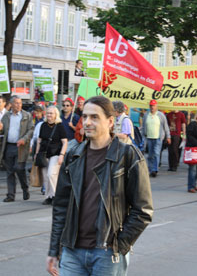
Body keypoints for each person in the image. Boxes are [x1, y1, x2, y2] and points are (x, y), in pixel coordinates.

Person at [46, 96, 153, 276]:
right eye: (85, 117)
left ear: (110, 122)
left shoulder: (127, 155)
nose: (87, 122)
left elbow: (143, 210)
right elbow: (61, 207)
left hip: (107, 253)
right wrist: (54, 248)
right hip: (72, 251)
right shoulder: (74, 155)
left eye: (94, 117)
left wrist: (120, 244)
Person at [0, 96, 34, 202]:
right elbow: (2, 132)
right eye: (16, 103)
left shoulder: (26, 116)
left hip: (21, 147)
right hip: (9, 146)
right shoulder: (6, 116)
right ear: (11, 104)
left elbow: (31, 130)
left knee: (19, 168)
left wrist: (24, 139)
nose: (19, 105)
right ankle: (10, 195)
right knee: (9, 171)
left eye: (20, 103)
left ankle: (25, 188)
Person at [36, 106, 68, 205]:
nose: (49, 115)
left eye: (51, 113)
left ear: (56, 115)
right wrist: (36, 153)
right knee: (45, 177)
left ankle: (56, 196)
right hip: (44, 153)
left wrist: (62, 155)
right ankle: (49, 196)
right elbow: (39, 140)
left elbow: (65, 142)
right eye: (48, 113)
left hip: (56, 153)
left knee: (51, 174)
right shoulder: (43, 125)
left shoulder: (59, 126)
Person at [142, 99, 170, 177]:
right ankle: (151, 169)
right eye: (151, 106)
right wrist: (143, 137)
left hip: (158, 138)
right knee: (150, 154)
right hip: (149, 137)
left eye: (153, 106)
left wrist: (168, 136)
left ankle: (155, 169)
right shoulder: (146, 115)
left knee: (156, 153)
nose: (152, 107)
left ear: (156, 106)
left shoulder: (161, 115)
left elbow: (166, 126)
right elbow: (144, 126)